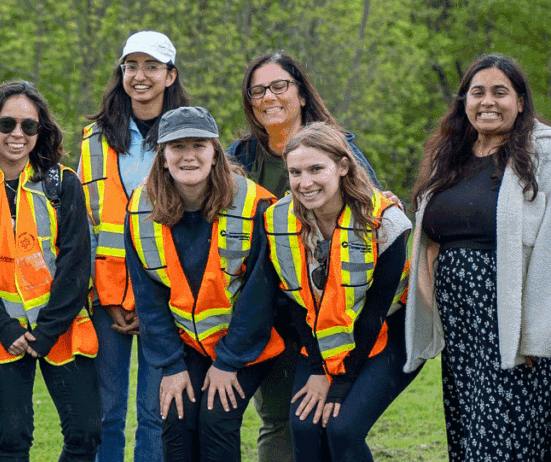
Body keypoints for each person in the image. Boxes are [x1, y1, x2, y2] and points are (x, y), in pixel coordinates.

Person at [225, 51, 382, 462]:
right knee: (278, 418)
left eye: (279, 86)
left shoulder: (336, 149)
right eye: (258, 90)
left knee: (331, 417)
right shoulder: (239, 157)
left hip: (330, 309)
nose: (269, 97)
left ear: (301, 92)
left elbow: (372, 215)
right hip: (268, 310)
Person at [405, 54, 551, 461]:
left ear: (521, 101)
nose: (488, 101)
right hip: (463, 332)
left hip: (517, 329)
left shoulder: (544, 155)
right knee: (470, 435)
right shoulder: (449, 159)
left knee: (505, 441)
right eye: (477, 92)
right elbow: (429, 238)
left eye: (500, 92)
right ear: (463, 102)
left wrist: (538, 331)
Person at [0, 81, 101, 461]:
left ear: (40, 130)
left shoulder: (62, 183)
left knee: (85, 434)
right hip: (4, 332)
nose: (17, 134)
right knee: (14, 439)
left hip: (61, 327)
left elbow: (76, 262)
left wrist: (48, 329)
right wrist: (5, 328)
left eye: (28, 126)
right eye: (7, 124)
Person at [126, 107, 284, 461]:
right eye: (177, 146)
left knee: (216, 419)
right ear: (163, 158)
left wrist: (228, 362)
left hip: (245, 341)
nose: (188, 155)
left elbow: (261, 297)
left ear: (215, 154)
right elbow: (148, 297)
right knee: (176, 419)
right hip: (186, 344)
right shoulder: (140, 208)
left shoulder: (255, 205)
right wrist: (170, 365)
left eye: (198, 145)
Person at [262, 123, 417, 462]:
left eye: (317, 169)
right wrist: (319, 369)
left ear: (342, 167)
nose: (306, 182)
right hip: (321, 340)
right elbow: (295, 303)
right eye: (295, 172)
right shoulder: (277, 221)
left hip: (389, 333)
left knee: (342, 430)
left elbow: (375, 313)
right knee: (303, 428)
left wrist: (342, 382)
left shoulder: (385, 223)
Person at [78, 30, 190, 462]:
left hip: (165, 297)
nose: (140, 76)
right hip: (106, 298)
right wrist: (97, 294)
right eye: (131, 66)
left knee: (155, 412)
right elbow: (86, 225)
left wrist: (157, 300)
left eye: (151, 66)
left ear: (169, 75)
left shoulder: (188, 135)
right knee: (106, 412)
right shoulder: (94, 137)